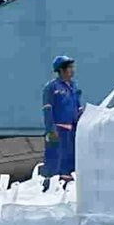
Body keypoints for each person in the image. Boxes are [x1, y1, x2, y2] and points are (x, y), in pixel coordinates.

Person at [42, 55, 82, 185]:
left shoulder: (73, 87)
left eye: (72, 67)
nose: (72, 70)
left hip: (72, 129)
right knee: (56, 158)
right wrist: (51, 129)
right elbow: (47, 109)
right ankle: (51, 184)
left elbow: (78, 106)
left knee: (70, 157)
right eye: (70, 67)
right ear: (61, 70)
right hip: (59, 129)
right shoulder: (52, 87)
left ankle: (67, 183)